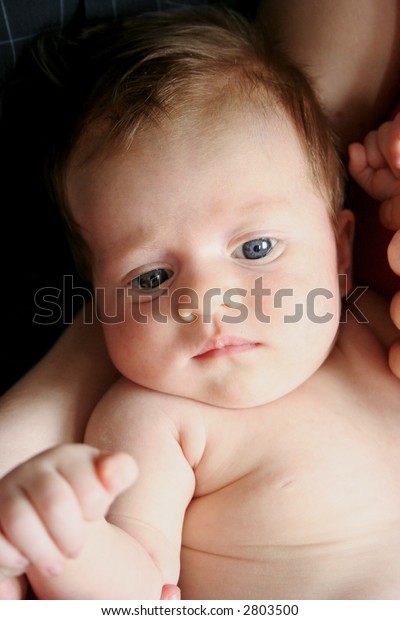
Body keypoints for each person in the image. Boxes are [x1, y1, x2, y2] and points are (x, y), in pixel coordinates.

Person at [1, 6, 400, 600]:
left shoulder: (373, 333)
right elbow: (137, 597)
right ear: (99, 304)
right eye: (150, 277)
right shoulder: (151, 420)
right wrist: (68, 540)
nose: (205, 301)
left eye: (258, 247)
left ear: (341, 255)